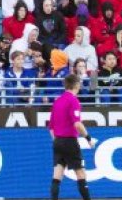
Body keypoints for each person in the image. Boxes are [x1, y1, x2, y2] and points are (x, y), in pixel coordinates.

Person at [48, 72, 93, 200]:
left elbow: (51, 127)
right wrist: (88, 138)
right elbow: (77, 124)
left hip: (58, 141)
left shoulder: (57, 101)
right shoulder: (73, 100)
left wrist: (57, 141)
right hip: (69, 141)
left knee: (57, 175)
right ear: (77, 85)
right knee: (80, 173)